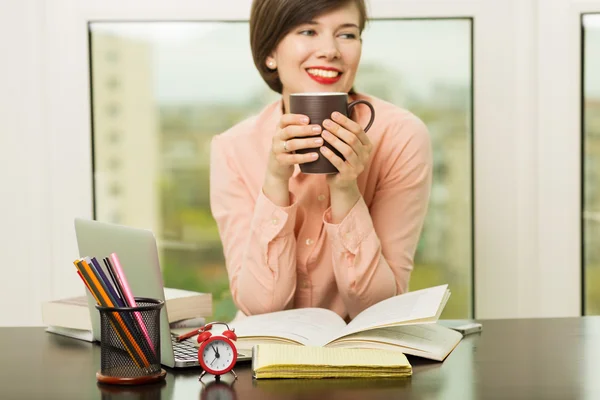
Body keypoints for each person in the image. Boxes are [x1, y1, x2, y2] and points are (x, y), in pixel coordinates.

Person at [210, 0, 432, 321]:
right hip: (265, 360)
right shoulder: (232, 148)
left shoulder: (401, 136)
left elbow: (381, 309)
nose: (330, 50)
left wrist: (345, 190)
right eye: (308, 31)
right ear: (270, 52)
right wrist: (274, 182)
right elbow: (261, 307)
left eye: (347, 35)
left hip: (363, 357)